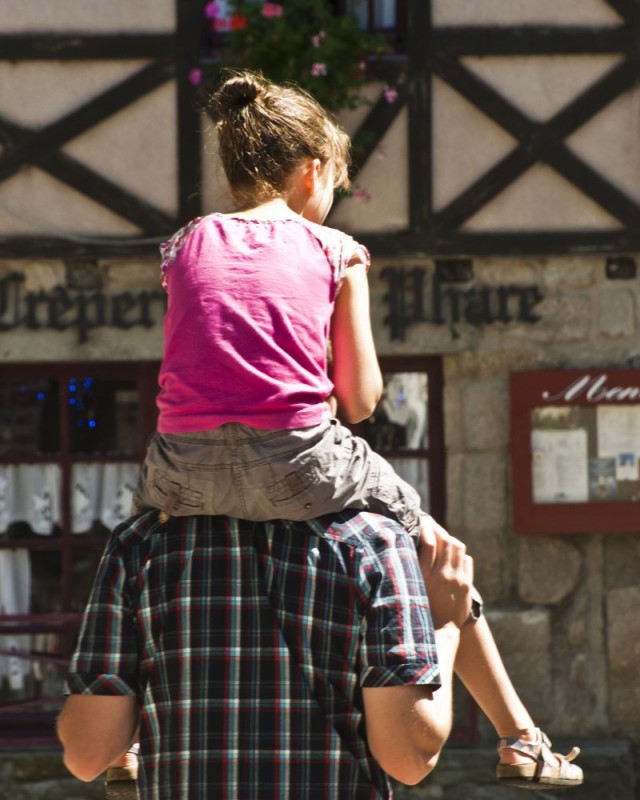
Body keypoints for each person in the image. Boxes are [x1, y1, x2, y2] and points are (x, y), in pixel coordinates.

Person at [128, 69, 582, 790]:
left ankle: (127, 739)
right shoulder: (336, 250)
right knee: (437, 546)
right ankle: (519, 737)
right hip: (301, 459)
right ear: (312, 172)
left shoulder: (182, 244)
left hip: (181, 467)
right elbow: (362, 399)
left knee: (135, 550)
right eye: (336, 180)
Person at [58, 509, 473, 799]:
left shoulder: (140, 542)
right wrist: (447, 627)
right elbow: (408, 759)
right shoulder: (373, 541)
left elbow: (87, 754)